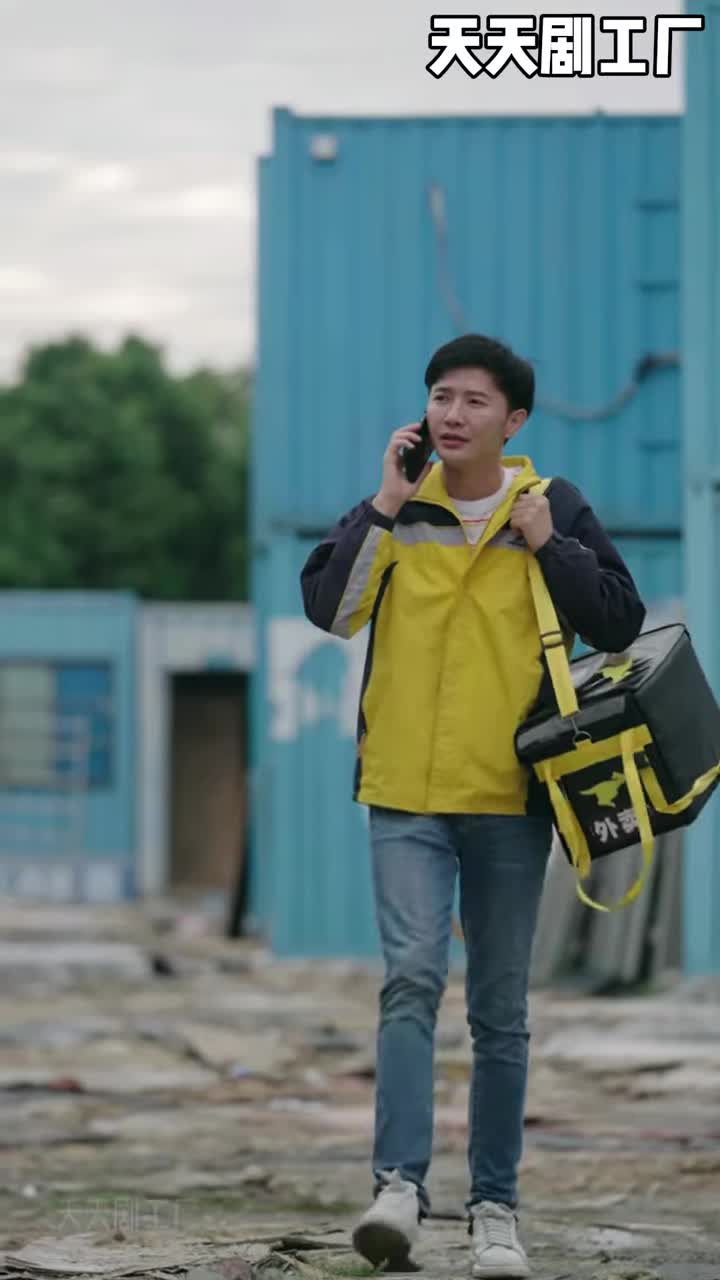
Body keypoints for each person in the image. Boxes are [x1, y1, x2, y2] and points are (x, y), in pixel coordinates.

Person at [300, 334, 646, 1279]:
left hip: (510, 794)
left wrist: (549, 545)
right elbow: (332, 611)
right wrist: (384, 502)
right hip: (404, 789)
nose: (451, 415)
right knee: (410, 982)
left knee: (499, 1009)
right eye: (440, 397)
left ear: (514, 420)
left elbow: (618, 621)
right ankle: (397, 1191)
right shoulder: (399, 508)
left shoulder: (554, 506)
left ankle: (495, 1208)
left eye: (474, 401)